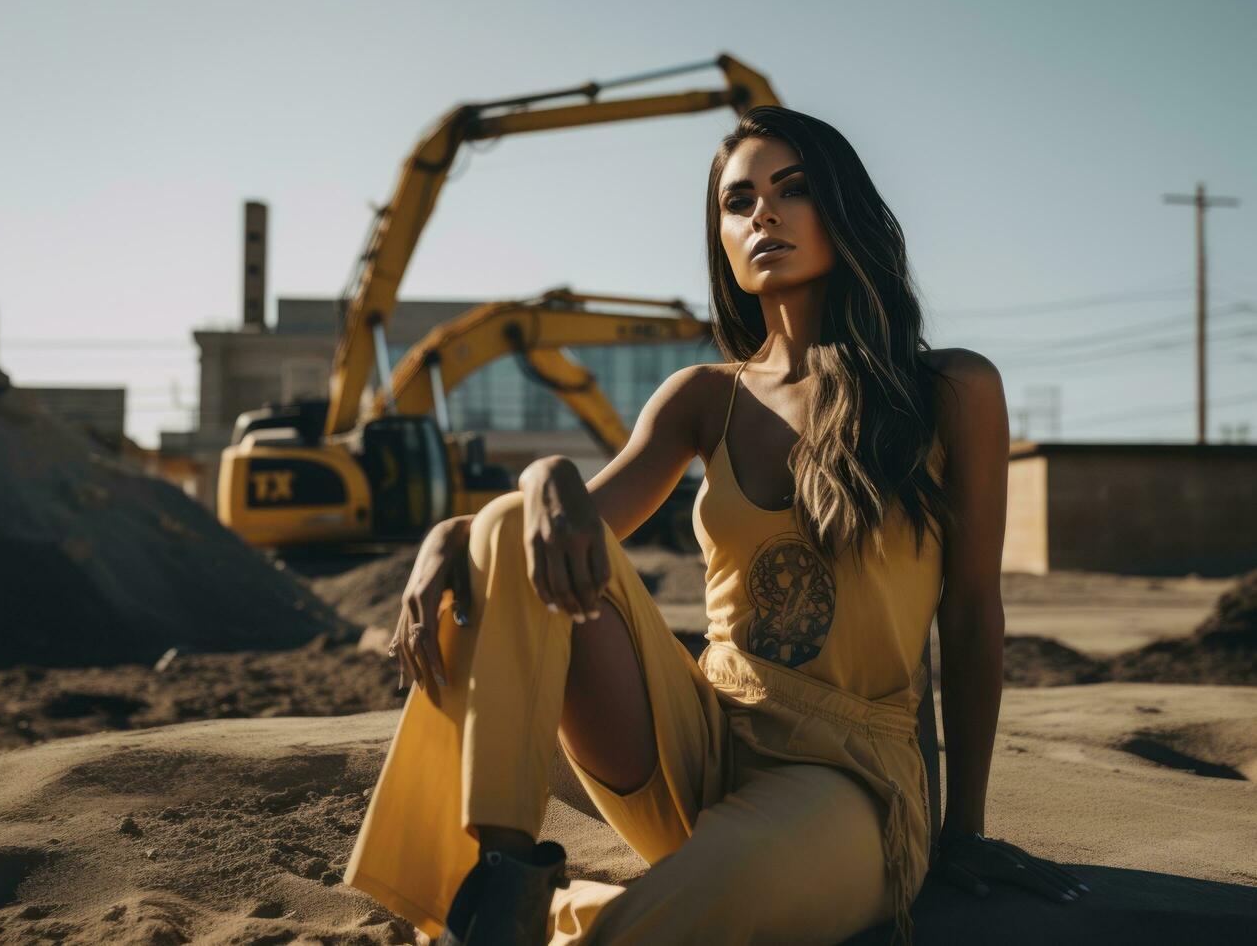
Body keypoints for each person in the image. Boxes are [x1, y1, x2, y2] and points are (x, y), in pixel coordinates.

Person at [343, 105, 1087, 946]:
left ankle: (576, 919)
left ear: (845, 210)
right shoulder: (703, 396)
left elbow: (972, 611)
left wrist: (965, 833)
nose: (762, 214)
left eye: (792, 189)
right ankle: (501, 889)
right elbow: (563, 528)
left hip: (843, 776)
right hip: (694, 741)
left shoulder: (948, 390)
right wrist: (521, 490)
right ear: (722, 241)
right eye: (738, 202)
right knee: (516, 520)